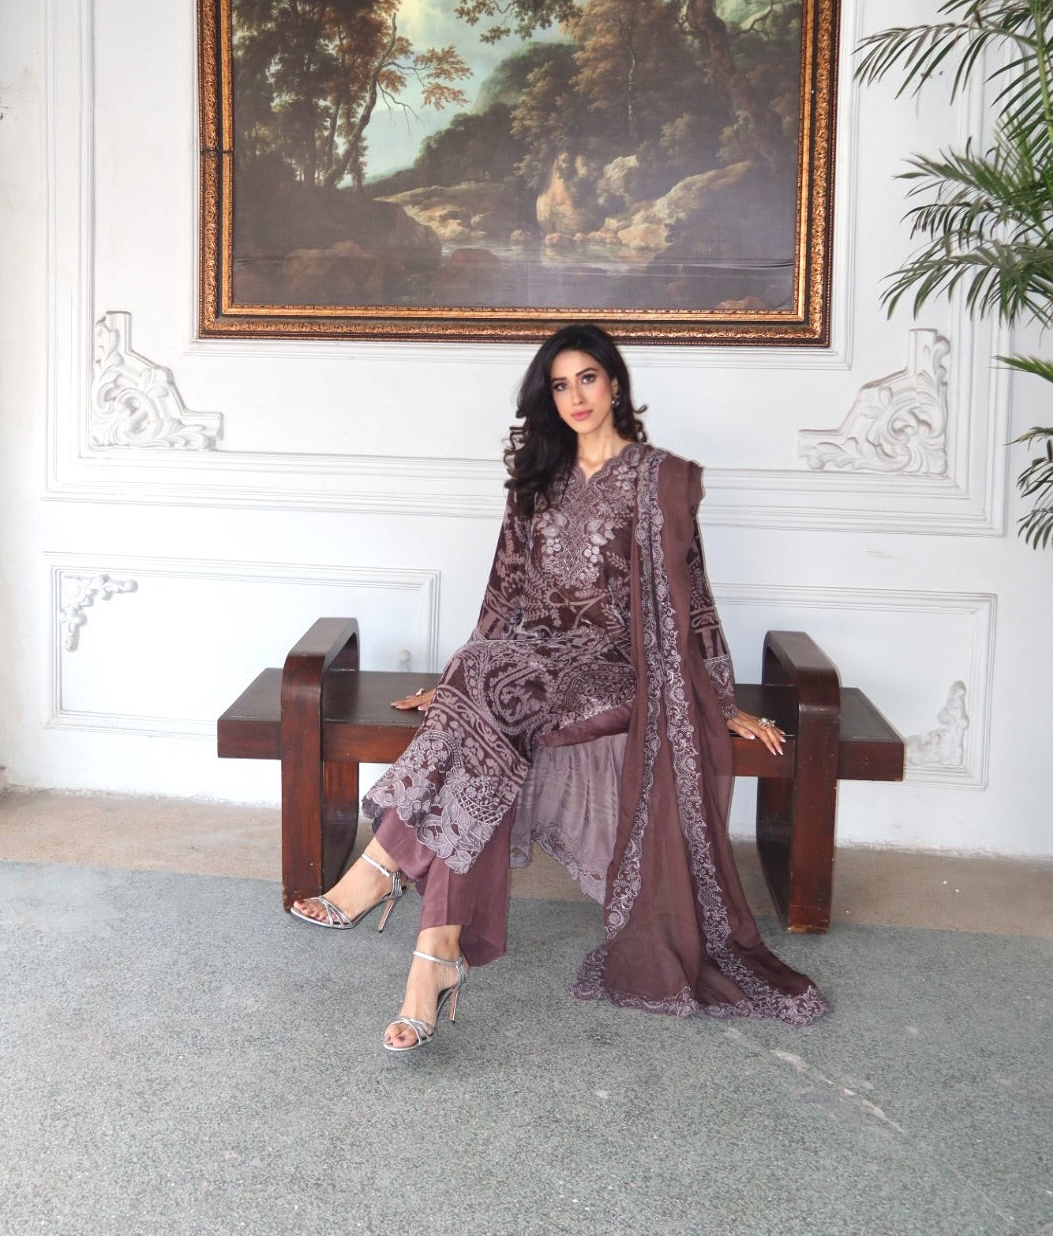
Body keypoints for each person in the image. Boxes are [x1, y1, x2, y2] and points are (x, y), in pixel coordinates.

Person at [291, 323, 828, 1050]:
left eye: (588, 379)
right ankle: (431, 961)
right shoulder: (537, 478)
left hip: (616, 667)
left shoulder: (659, 479)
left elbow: (693, 598)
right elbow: (502, 592)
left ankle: (385, 871)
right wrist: (455, 684)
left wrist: (721, 701)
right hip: (530, 659)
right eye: (561, 384)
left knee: (488, 699)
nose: (576, 396)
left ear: (615, 384)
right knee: (485, 699)